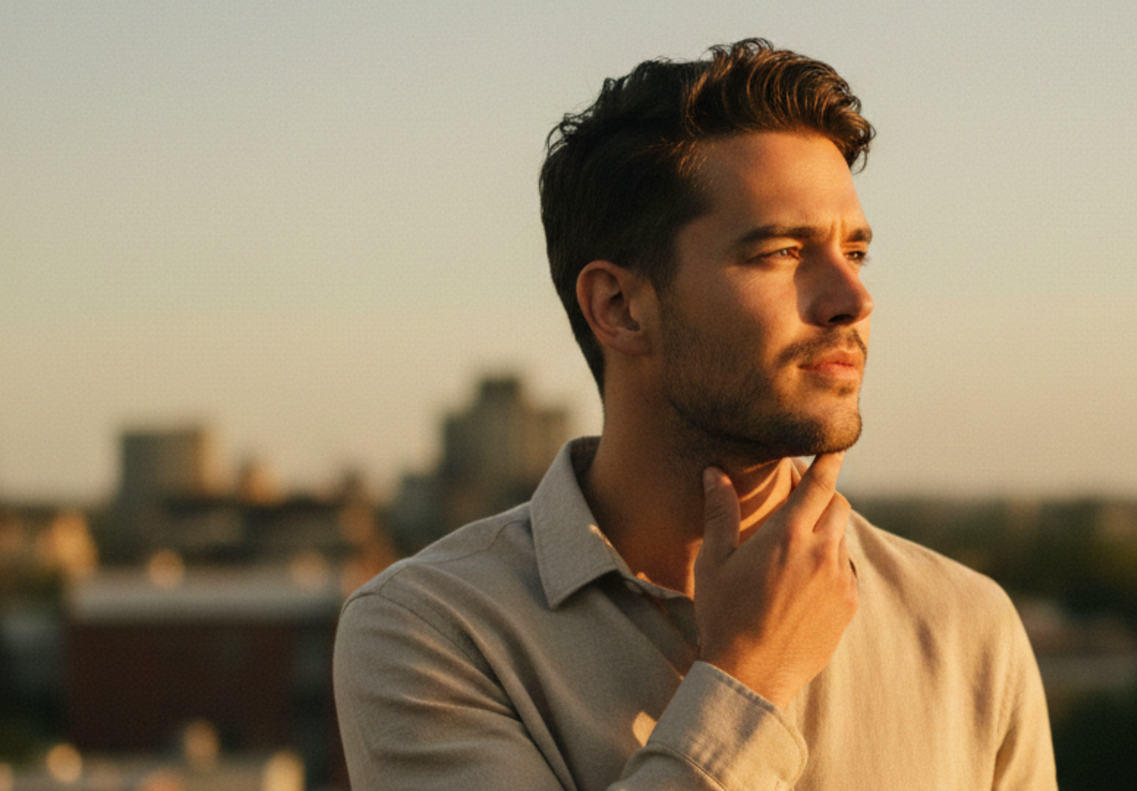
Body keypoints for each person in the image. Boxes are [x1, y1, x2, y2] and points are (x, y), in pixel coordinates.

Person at [333, 39, 1056, 790]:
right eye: (781, 252)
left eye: (856, 252)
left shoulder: (964, 627)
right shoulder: (432, 631)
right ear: (619, 307)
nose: (852, 299)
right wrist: (747, 680)